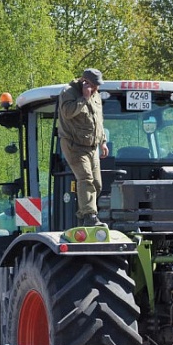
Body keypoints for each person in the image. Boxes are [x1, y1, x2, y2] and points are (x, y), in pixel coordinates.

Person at [58, 68, 109, 227]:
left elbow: (98, 120)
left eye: (97, 86)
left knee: (97, 183)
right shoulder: (69, 92)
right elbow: (67, 113)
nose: (96, 89)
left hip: (92, 146)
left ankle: (84, 215)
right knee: (86, 178)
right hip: (74, 145)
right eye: (94, 85)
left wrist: (103, 141)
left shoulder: (97, 96)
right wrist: (84, 98)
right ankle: (90, 216)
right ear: (84, 81)